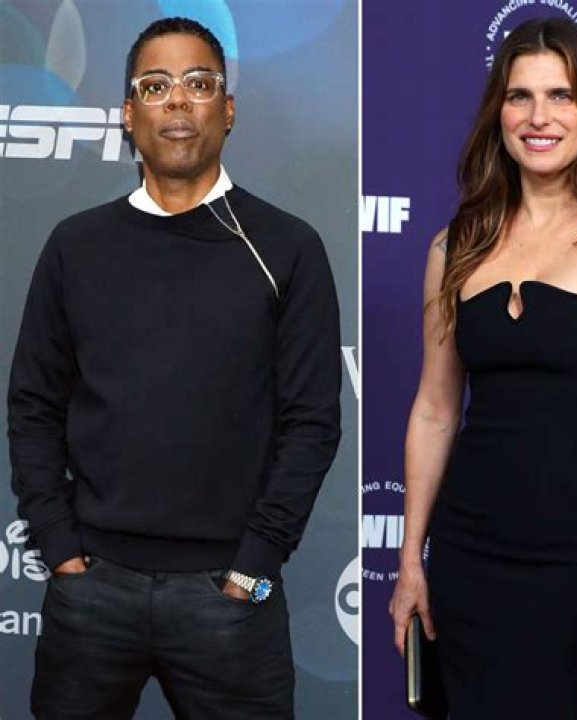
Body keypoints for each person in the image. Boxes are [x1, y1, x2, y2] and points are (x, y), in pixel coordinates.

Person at [7, 17, 341, 720]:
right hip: (91, 590)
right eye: (155, 86)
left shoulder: (287, 247)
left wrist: (254, 568)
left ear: (229, 109)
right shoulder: (76, 246)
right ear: (129, 115)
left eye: (199, 83)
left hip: (233, 593)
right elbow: (33, 404)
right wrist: (61, 551)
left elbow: (311, 421)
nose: (179, 100)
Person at [389, 17, 577, 719]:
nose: (538, 116)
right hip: (466, 551)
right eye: (519, 96)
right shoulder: (455, 245)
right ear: (498, 113)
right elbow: (434, 409)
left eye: (561, 95)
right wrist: (409, 560)